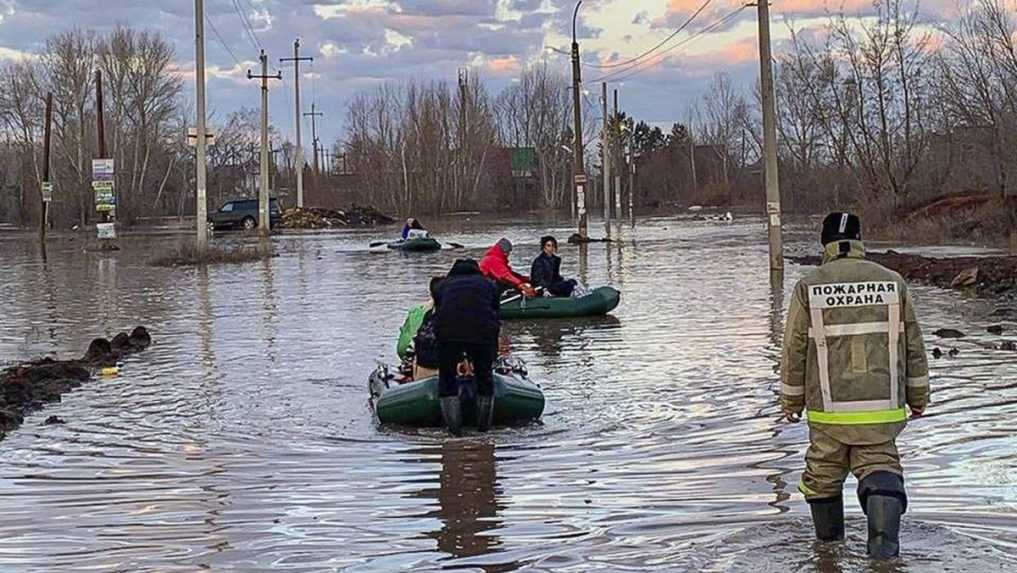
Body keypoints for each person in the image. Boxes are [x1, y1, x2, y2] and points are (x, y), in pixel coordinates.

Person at [781, 212, 930, 559]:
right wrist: (918, 397)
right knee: (882, 470)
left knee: (822, 478)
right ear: (861, 241)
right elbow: (914, 347)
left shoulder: (809, 286)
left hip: (828, 414)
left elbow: (794, 350)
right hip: (881, 411)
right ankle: (883, 556)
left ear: (825, 244)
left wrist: (791, 401)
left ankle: (828, 554)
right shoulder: (892, 282)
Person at [433, 258, 501, 434]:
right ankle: (483, 430)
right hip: (482, 332)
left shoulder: (443, 286)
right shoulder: (489, 285)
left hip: (449, 334)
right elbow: (495, 313)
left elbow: (439, 309)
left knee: (447, 379)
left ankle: (455, 431)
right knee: (485, 377)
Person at [396, 277, 443, 380]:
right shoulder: (458, 321)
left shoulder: (424, 318)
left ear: (432, 295)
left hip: (421, 376)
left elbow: (404, 350)